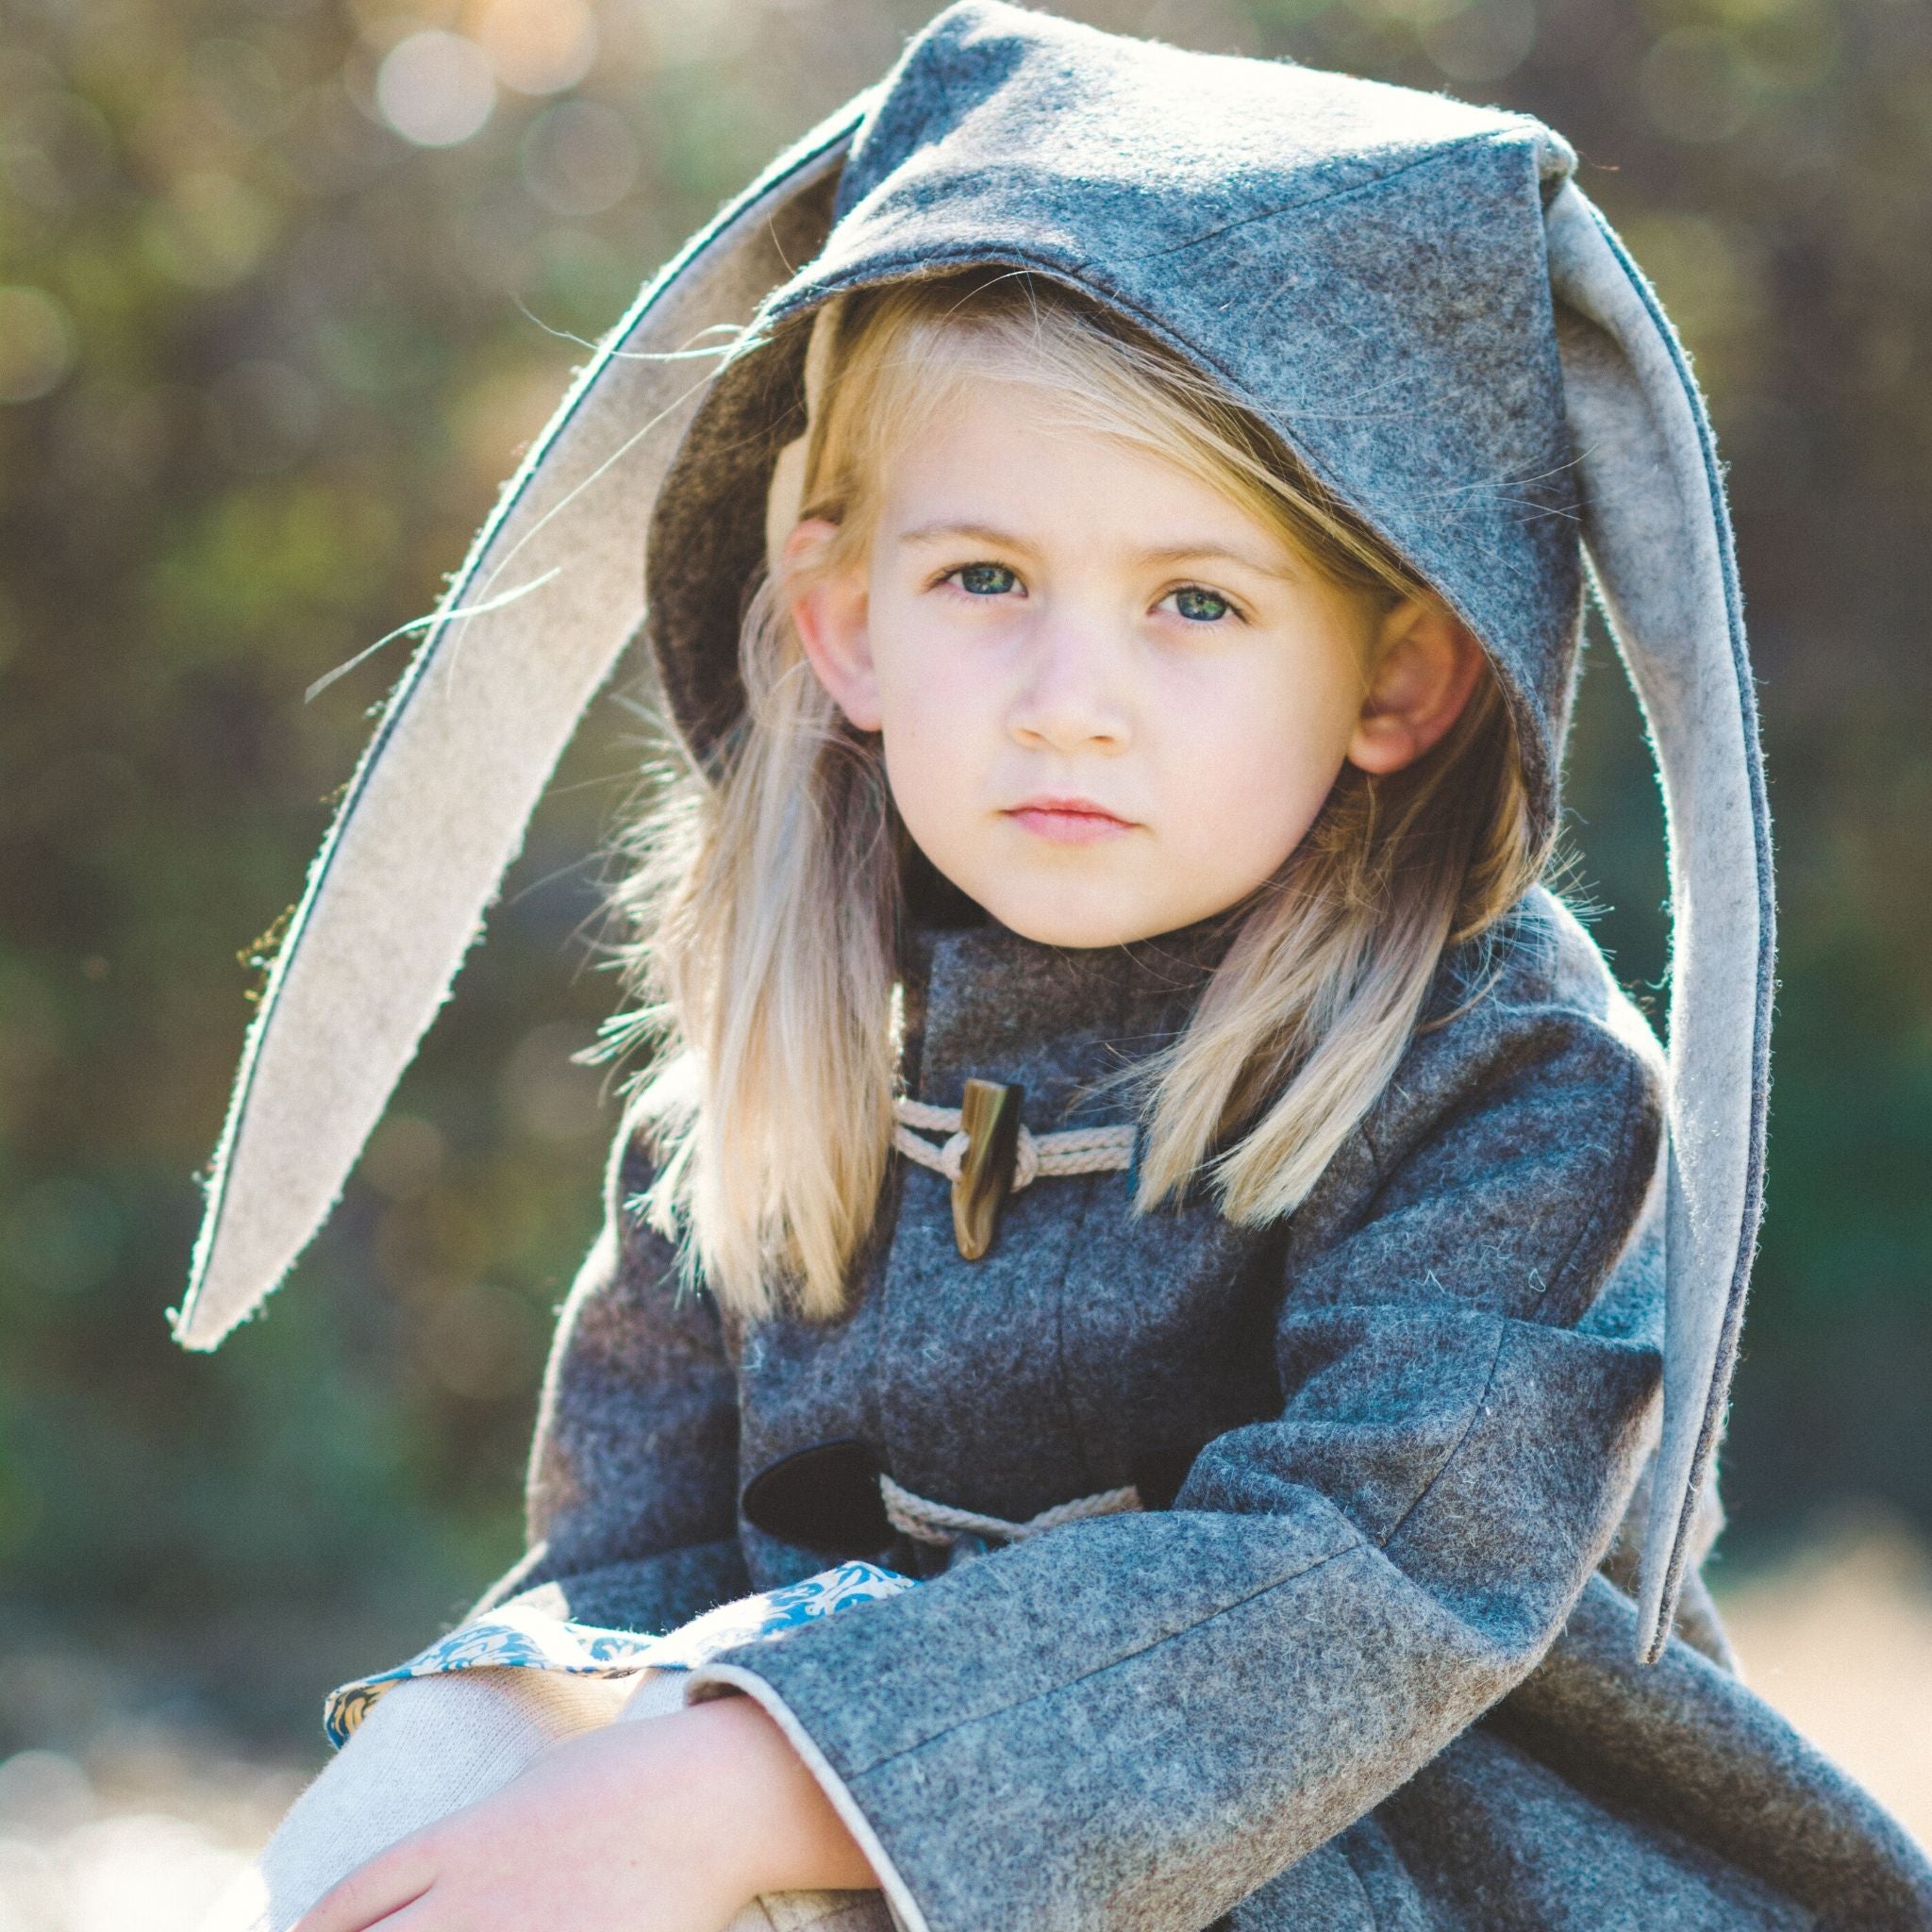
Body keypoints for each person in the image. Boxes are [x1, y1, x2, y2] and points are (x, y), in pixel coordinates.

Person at [179, 6, 1932, 1930]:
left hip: (1409, 1855)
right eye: (985, 580)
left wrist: (771, 1775)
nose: (1068, 705)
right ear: (846, 620)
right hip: (828, 1792)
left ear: (1396, 678)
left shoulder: (1510, 1085)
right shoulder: (805, 1044)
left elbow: (1371, 1578)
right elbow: (640, 1545)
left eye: (1196, 600)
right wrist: (537, 1777)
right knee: (430, 1793)